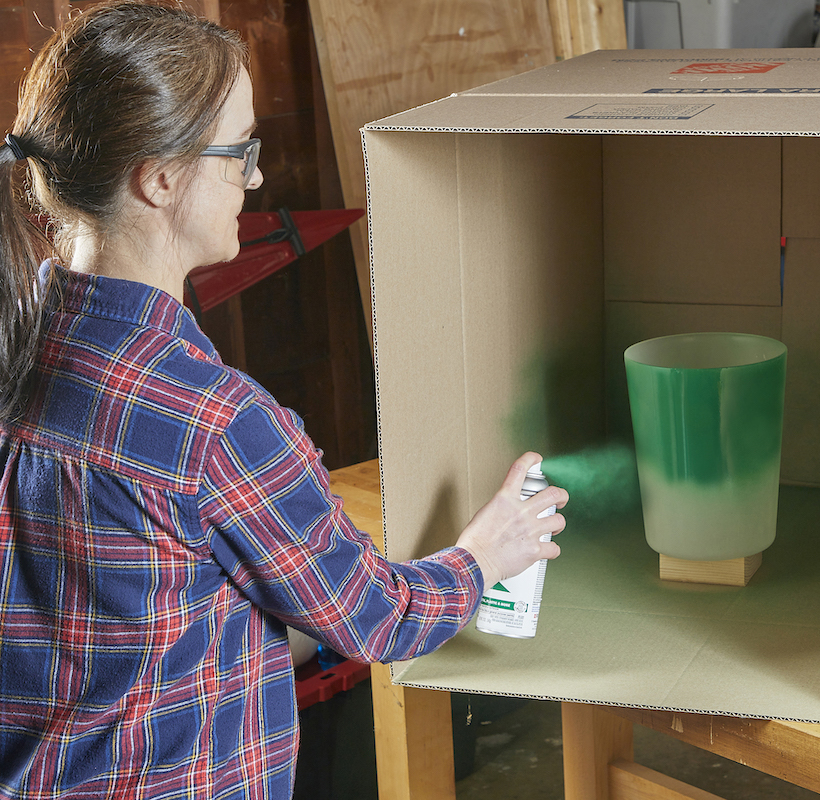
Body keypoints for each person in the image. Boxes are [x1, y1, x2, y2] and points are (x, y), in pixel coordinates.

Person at [0, 2, 567, 797]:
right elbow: (378, 618)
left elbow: (114, 625)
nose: (256, 176)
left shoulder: (20, 360)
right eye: (239, 153)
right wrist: (485, 554)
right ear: (160, 178)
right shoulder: (214, 423)